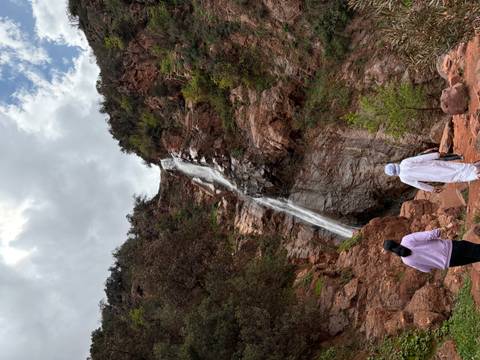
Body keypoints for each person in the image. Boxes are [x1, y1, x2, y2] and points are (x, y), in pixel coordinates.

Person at [383, 229, 480, 272]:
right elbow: (430, 235)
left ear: (392, 251)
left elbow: (426, 269)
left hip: (450, 262)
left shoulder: (406, 261)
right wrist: (440, 230)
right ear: (394, 241)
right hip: (451, 248)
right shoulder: (406, 240)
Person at [384, 152, 480, 193]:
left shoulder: (403, 178)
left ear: (394, 174)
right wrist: (437, 154)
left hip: (435, 176)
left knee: (456, 177)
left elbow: (418, 185)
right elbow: (421, 158)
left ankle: (476, 175)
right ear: (394, 164)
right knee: (458, 167)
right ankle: (475, 168)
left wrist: (432, 189)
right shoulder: (404, 162)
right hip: (435, 165)